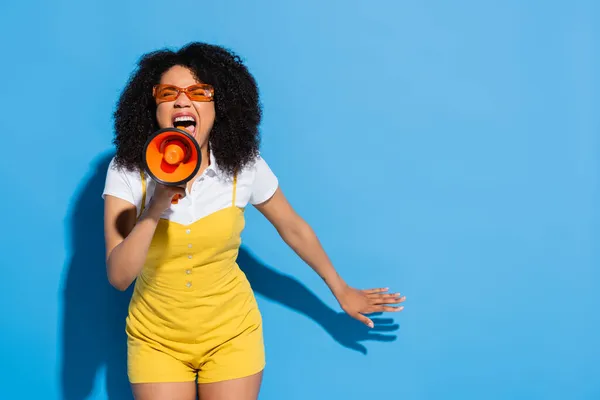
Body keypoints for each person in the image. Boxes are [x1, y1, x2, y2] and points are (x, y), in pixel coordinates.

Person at [102, 42, 405, 400]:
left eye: (199, 92)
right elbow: (119, 277)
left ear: (219, 106)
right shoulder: (127, 170)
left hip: (232, 334)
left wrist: (340, 289)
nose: (183, 101)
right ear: (153, 107)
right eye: (169, 93)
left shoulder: (243, 165)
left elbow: (292, 226)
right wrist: (155, 207)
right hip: (156, 339)